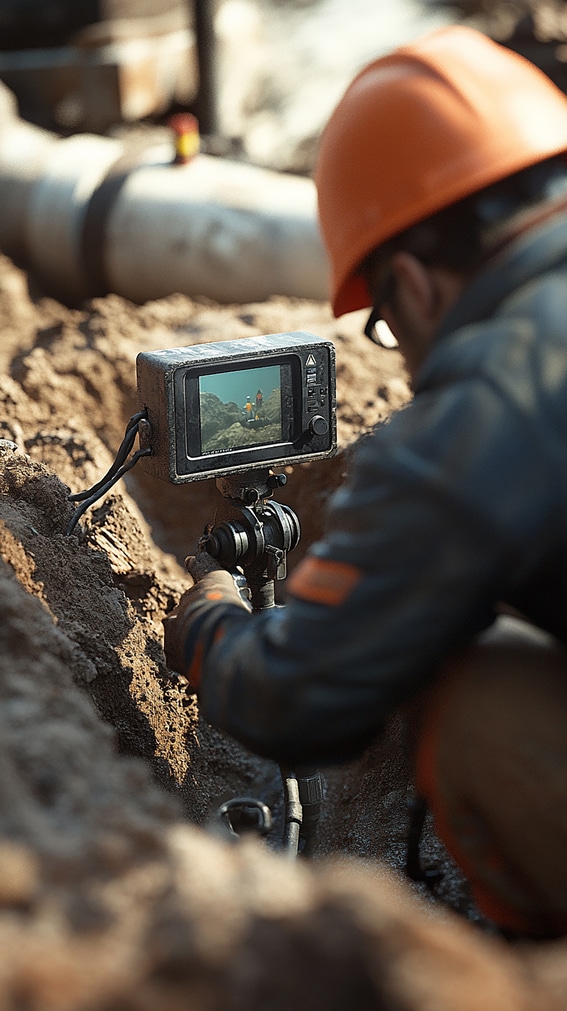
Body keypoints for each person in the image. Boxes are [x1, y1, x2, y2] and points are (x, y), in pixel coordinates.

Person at [164, 25, 567, 939]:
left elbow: (300, 701)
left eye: (386, 323)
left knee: (480, 688)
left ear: (416, 285)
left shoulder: (487, 404)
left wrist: (211, 629)